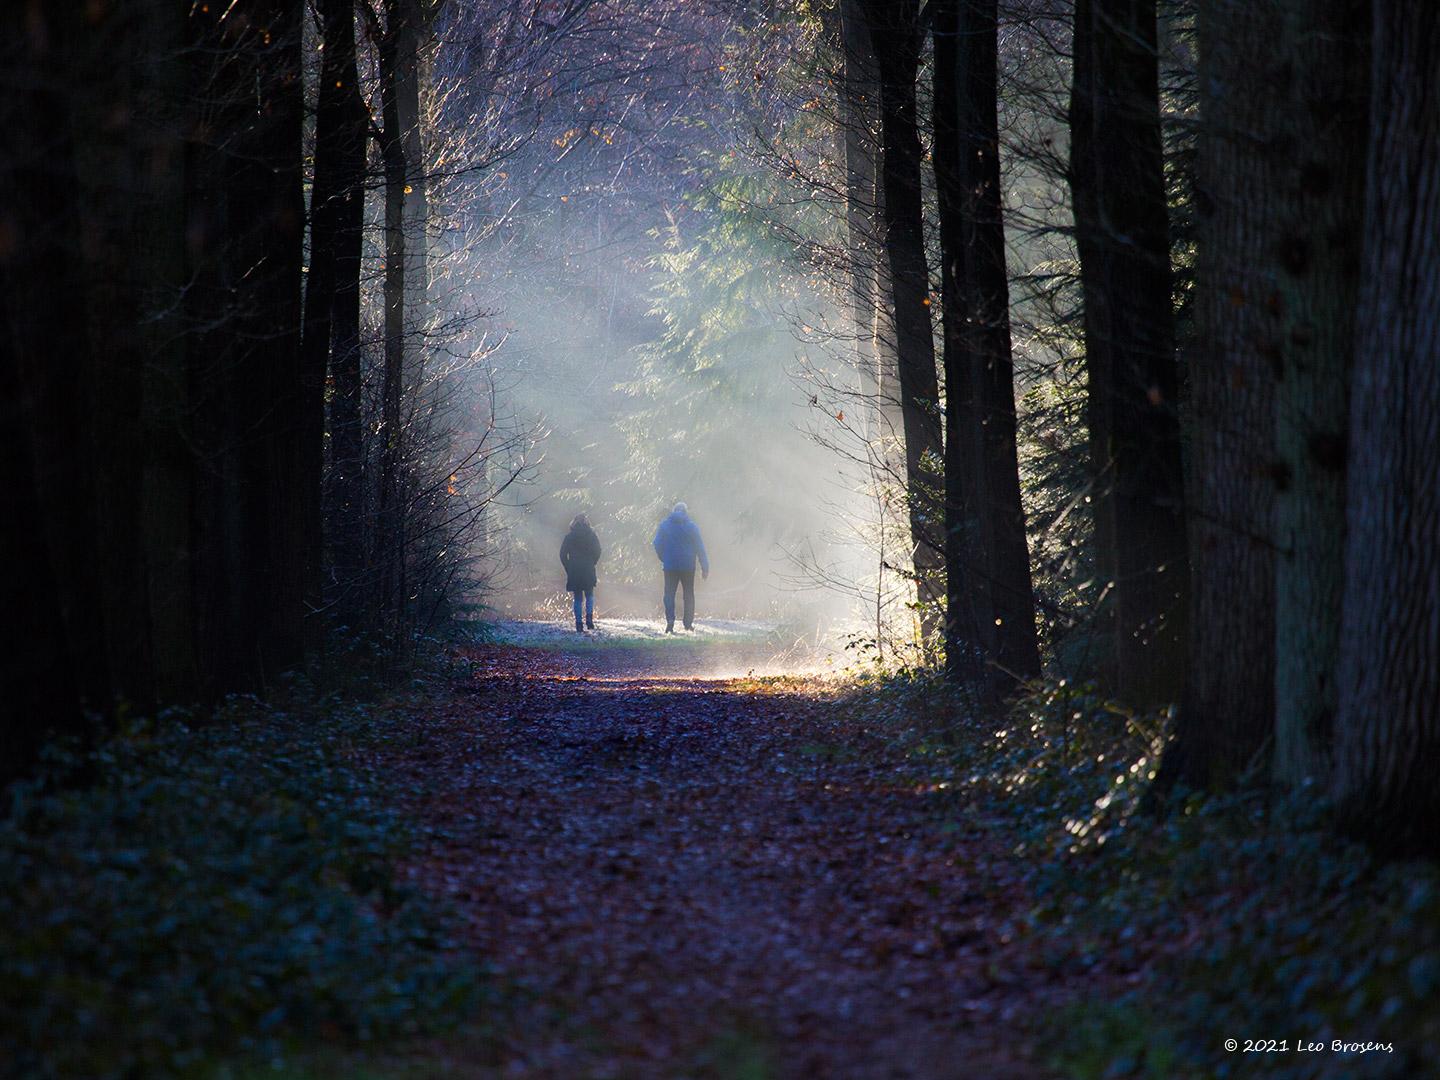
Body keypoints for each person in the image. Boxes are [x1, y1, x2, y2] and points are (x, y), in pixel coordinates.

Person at [651, 501, 709, 632]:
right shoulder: (692, 527)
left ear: (673, 511)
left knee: (669, 594)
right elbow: (700, 548)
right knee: (688, 594)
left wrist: (664, 558)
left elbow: (656, 543)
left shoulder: (665, 525)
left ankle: (670, 621)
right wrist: (705, 567)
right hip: (688, 567)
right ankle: (688, 624)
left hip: (670, 566)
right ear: (686, 512)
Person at [560, 513, 602, 632]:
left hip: (574, 569)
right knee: (589, 595)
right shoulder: (592, 535)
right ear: (586, 522)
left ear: (574, 523)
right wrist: (593, 562)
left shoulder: (569, 537)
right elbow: (598, 551)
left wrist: (568, 567)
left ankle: (578, 623)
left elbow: (562, 554)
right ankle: (589, 620)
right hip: (588, 567)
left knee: (578, 597)